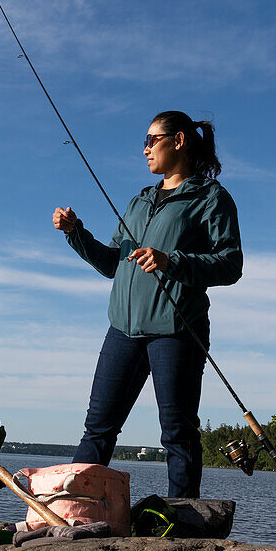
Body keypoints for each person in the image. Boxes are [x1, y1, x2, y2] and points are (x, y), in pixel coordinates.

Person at [53, 110, 242, 498]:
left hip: (176, 332)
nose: (145, 149)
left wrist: (173, 260)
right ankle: (71, 508)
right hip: (122, 329)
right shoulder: (139, 201)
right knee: (98, 428)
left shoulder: (211, 198)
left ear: (179, 140)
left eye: (152, 139)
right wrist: (76, 234)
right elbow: (111, 263)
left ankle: (184, 519)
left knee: (177, 432)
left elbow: (230, 264)